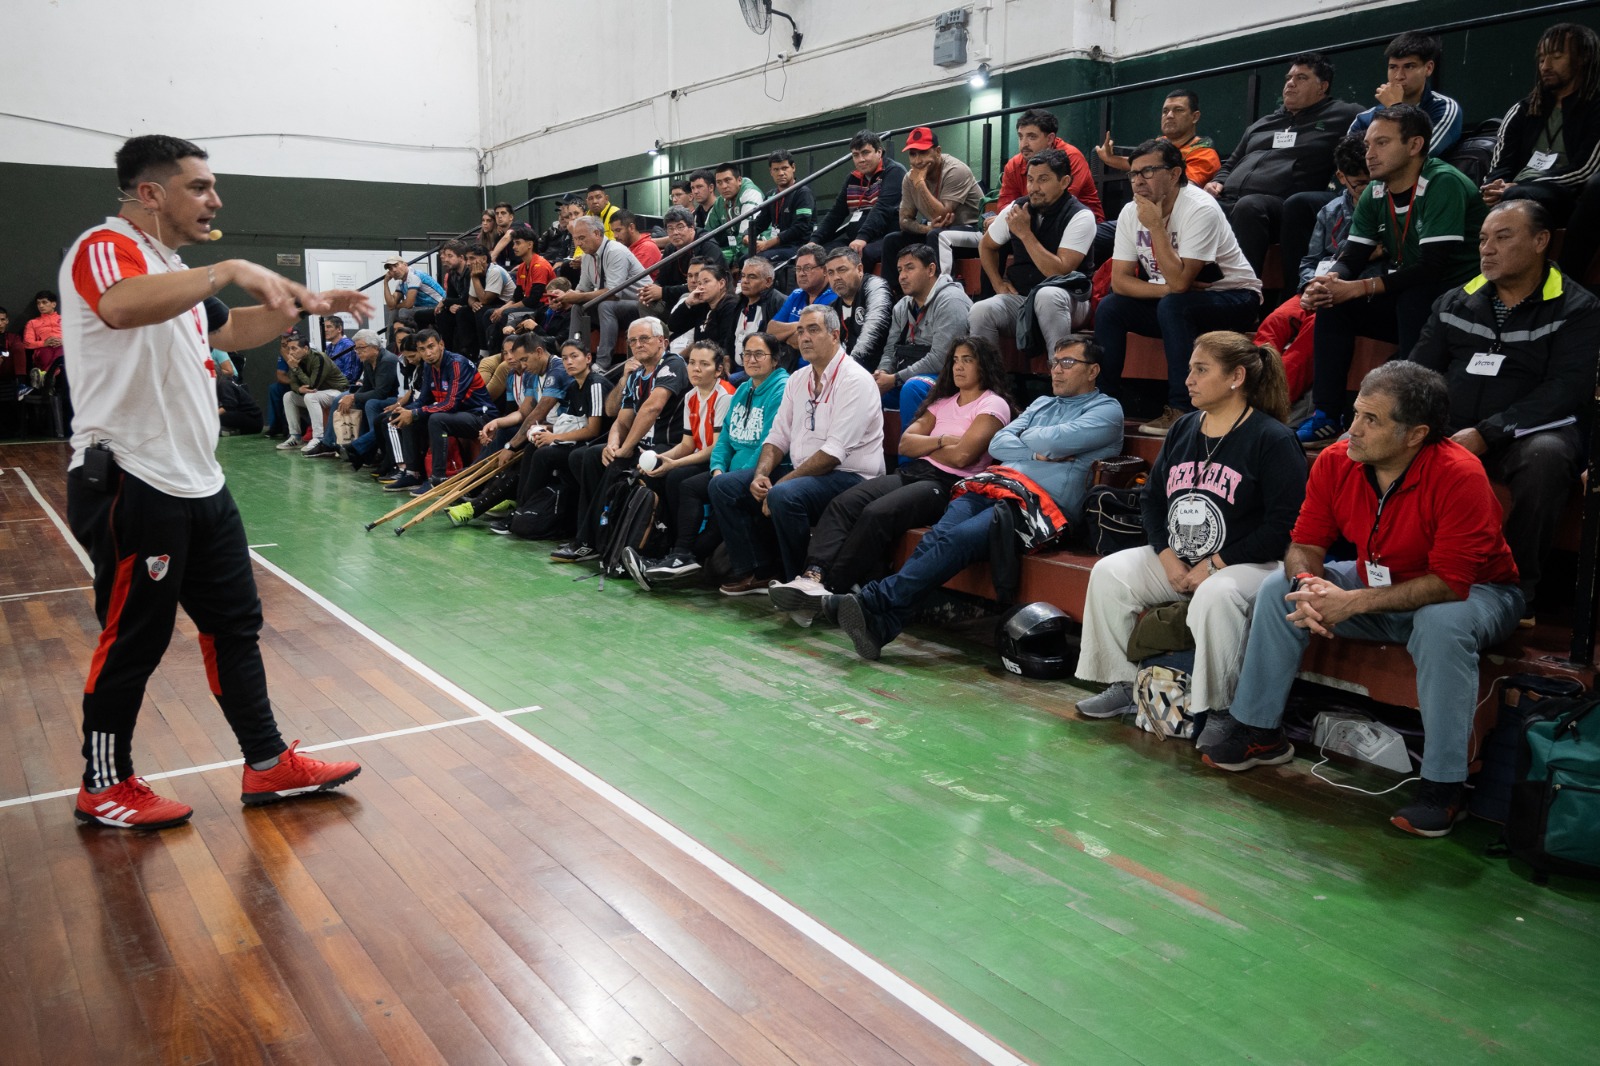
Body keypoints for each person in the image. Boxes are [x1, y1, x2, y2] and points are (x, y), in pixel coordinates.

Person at [61, 134, 364, 828]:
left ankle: (267, 763)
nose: (214, 199)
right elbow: (121, 306)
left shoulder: (177, 274)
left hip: (200, 483)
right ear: (150, 193)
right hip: (133, 479)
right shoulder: (107, 249)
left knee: (236, 626)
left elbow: (229, 333)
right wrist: (228, 266)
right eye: (199, 186)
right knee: (134, 636)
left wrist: (299, 309)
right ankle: (102, 783)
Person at [1196, 362, 1523, 838]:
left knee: (1440, 624)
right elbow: (1305, 543)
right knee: (1275, 589)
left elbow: (1450, 583)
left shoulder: (1460, 473)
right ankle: (1259, 733)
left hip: (1478, 593)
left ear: (1415, 434)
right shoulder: (1336, 459)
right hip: (1380, 581)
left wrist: (1350, 603)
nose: (1354, 428)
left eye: (1372, 420)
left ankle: (1443, 785)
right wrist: (1309, 585)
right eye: (1356, 413)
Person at [833, 338, 1124, 660]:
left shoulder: (1107, 411)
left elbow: (1046, 441)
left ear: (1093, 370)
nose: (1056, 370)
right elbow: (999, 444)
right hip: (993, 484)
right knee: (937, 538)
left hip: (1040, 506)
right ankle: (881, 626)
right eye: (1054, 362)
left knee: (956, 539)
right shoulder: (1043, 403)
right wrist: (1041, 451)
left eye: (1067, 363)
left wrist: (1030, 441)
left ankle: (872, 601)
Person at [1073, 333, 1306, 722]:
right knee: (1109, 573)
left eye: (1201, 370)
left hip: (1251, 565)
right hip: (1181, 560)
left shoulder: (1273, 439)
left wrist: (1217, 562)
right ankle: (1121, 683)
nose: (1188, 380)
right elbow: (1151, 500)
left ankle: (1220, 709)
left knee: (1218, 594)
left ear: (1236, 377)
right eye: (1189, 369)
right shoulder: (1184, 429)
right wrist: (1165, 557)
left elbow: (1284, 526)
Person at [1409, 199, 1600, 621]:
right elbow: (1417, 371)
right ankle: (1395, 571)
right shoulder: (1455, 301)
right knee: (1380, 435)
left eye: (1502, 236)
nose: (1487, 249)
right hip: (1452, 426)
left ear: (1540, 241)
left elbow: (1565, 389)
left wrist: (1489, 432)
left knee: (1546, 457)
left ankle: (1513, 590)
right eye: (1482, 239)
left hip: (1530, 431)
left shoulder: (1578, 307)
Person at [770, 335, 1013, 623]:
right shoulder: (944, 401)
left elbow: (964, 458)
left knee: (877, 513)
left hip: (948, 485)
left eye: (968, 360)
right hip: (916, 472)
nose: (959, 367)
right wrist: (945, 440)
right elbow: (906, 444)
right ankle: (813, 575)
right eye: (956, 360)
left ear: (984, 365)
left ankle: (831, 588)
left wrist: (932, 443)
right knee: (844, 503)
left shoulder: (993, 405)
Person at [1295, 105, 1487, 446]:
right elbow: (1352, 256)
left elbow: (1432, 268)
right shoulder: (1375, 190)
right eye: (1369, 144)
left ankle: (1410, 416)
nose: (1369, 154)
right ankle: (1326, 414)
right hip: (1415, 289)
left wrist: (1360, 287)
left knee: (1414, 297)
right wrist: (1329, 282)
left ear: (1414, 146)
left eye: (1381, 143)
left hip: (1465, 297)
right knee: (1333, 304)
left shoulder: (1443, 182)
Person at [708, 305, 885, 592]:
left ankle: (799, 583)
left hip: (851, 476)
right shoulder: (799, 379)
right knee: (724, 487)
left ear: (835, 335)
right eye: (800, 330)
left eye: (813, 330)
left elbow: (833, 453)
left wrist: (782, 481)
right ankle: (758, 571)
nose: (804, 337)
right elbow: (777, 437)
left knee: (784, 494)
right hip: (809, 474)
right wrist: (759, 475)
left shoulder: (855, 380)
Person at [1095, 139, 1262, 436]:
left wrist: (1156, 227)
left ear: (1174, 174)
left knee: (1174, 305)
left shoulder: (1199, 208)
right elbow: (1120, 282)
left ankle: (1182, 408)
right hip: (1176, 300)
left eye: (1147, 172)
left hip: (1233, 297)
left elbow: (1181, 282)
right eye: (1133, 174)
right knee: (1111, 307)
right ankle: (1101, 405)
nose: (1137, 181)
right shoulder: (1130, 213)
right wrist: (1168, 290)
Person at [624, 332, 790, 583]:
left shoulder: (780, 389)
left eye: (759, 354)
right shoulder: (744, 389)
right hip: (729, 471)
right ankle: (677, 556)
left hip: (761, 469)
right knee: (689, 485)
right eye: (747, 354)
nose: (752, 360)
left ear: (775, 359)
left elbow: (770, 443)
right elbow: (723, 442)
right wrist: (717, 470)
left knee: (707, 486)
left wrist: (728, 478)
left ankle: (683, 562)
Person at [1204, 54, 1363, 284]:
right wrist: (1217, 180)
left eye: (1301, 78)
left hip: (1280, 205)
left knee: (1250, 206)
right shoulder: (1263, 123)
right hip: (1229, 199)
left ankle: (1242, 293)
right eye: (1289, 77)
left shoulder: (1343, 114)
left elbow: (1376, 130)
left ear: (1322, 86)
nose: (1290, 83)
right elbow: (1231, 163)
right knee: (1191, 203)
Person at [553, 317, 689, 562]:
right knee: (592, 456)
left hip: (668, 446)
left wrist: (625, 449)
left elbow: (652, 408)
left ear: (663, 341)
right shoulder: (636, 374)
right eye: (633, 341)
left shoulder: (673, 364)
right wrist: (614, 443)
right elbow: (620, 417)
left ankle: (589, 541)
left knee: (616, 464)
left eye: (644, 339)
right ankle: (597, 533)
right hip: (640, 444)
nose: (638, 345)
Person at [1253, 134, 1374, 403]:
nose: (1368, 189)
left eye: (1373, 181)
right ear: (1342, 178)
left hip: (1347, 292)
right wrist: (1309, 286)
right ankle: (1248, 390)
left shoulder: (1383, 209)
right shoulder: (1330, 211)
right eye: (1360, 184)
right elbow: (1310, 261)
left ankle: (1271, 403)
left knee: (1312, 331)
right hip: (1316, 289)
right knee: (1274, 322)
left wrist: (1327, 289)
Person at [1485, 22, 1600, 277]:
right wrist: (1494, 185)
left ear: (1582, 58)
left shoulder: (1594, 107)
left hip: (1567, 194)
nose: (1545, 66)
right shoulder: (1524, 109)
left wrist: (1518, 188)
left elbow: (1585, 170)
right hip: (1513, 190)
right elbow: (1500, 162)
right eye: (1541, 58)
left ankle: (1562, 279)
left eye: (1557, 57)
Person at [969, 149, 1097, 361]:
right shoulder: (1017, 207)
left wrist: (1025, 233)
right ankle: (993, 386)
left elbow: (1058, 272)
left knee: (1048, 295)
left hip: (1070, 299)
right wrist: (998, 284)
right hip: (1022, 297)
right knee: (980, 310)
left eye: (1043, 180)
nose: (1034, 188)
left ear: (1064, 182)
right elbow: (986, 245)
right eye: (1030, 180)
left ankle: (1060, 379)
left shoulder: (1081, 216)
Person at [488, 340, 613, 535]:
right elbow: (571, 423)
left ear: (588, 358)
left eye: (574, 356)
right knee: (532, 448)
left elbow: (593, 430)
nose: (569, 362)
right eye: (564, 358)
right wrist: (546, 429)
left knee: (544, 455)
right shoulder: (574, 387)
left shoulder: (595, 384)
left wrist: (554, 437)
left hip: (592, 445)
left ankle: (524, 509)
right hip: (576, 440)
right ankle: (521, 509)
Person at [639, 339, 736, 547]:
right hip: (700, 455)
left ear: (718, 370)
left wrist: (674, 464)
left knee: (677, 478)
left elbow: (717, 448)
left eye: (704, 364)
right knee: (655, 474)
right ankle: (662, 539)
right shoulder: (691, 395)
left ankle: (681, 545)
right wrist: (660, 458)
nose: (696, 369)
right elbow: (687, 444)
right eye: (692, 363)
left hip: (721, 460)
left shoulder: (725, 396)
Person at [385, 328, 496, 494]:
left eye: (431, 347)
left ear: (441, 345)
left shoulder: (458, 364)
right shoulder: (429, 367)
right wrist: (406, 410)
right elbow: (423, 400)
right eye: (422, 349)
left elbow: (451, 404)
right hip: (456, 416)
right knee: (405, 416)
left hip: (480, 416)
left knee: (436, 419)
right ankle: (413, 473)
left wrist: (415, 413)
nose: (428, 353)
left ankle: (438, 479)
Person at [875, 244, 976, 424]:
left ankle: (911, 452)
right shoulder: (902, 306)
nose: (902, 276)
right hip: (908, 375)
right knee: (865, 390)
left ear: (931, 270)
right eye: (899, 270)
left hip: (948, 377)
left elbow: (941, 359)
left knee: (912, 388)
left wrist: (895, 378)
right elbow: (890, 350)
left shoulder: (951, 301)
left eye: (910, 268)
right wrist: (882, 374)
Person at [880, 127, 985, 296]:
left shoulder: (955, 170)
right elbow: (904, 221)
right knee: (892, 240)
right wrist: (926, 228)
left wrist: (920, 184)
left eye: (923, 152)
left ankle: (942, 295)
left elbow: (941, 215)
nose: (918, 160)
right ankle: (893, 299)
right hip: (938, 232)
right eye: (912, 154)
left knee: (937, 236)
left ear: (937, 151)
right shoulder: (909, 178)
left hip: (973, 232)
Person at [551, 214, 646, 369]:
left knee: (605, 305)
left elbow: (614, 293)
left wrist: (578, 296)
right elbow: (582, 289)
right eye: (575, 239)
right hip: (617, 305)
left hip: (641, 305)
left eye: (582, 238)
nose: (578, 243)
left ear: (596, 233)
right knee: (577, 307)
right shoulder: (588, 257)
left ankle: (602, 364)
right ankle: (574, 356)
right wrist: (566, 297)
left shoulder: (615, 251)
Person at [812, 130, 907, 274]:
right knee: (820, 253)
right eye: (856, 155)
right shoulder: (852, 179)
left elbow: (882, 209)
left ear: (879, 152)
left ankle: (859, 293)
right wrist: (814, 240)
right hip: (856, 239)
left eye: (865, 153)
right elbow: (836, 213)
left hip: (886, 238)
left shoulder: (895, 172)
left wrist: (862, 238)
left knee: (863, 253)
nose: (860, 159)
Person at [1095, 89, 1223, 187]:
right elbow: (1138, 163)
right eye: (1165, 111)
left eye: (1178, 110)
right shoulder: (1160, 142)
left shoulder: (1204, 153)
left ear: (1195, 117)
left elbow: (1182, 188)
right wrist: (1109, 159)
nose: (1170, 115)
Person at [998, 109, 1104, 223]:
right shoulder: (1013, 165)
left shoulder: (1071, 157)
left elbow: (1058, 203)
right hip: (1034, 223)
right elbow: (1004, 206)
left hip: (1081, 224)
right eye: (1020, 137)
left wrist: (1017, 214)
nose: (1024, 144)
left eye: (1032, 137)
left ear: (1050, 139)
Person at [335, 332, 401, 470]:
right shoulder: (368, 361)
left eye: (361, 347)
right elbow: (366, 387)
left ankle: (362, 447)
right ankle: (366, 452)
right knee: (351, 401)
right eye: (356, 348)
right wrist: (351, 399)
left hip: (396, 399)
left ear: (375, 347)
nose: (358, 351)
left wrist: (353, 396)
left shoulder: (387, 360)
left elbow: (381, 392)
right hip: (383, 398)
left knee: (371, 403)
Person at [823, 247, 893, 370]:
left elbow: (874, 329)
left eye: (842, 270)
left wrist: (847, 369)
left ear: (860, 269)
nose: (836, 277)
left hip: (880, 370)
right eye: (831, 273)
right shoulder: (833, 308)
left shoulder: (875, 286)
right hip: (849, 372)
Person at [277, 335, 348, 453]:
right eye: (289, 349)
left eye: (294, 348)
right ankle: (295, 437)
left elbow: (312, 385)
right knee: (288, 396)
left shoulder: (319, 358)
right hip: (319, 393)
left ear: (305, 348)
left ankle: (318, 438)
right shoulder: (295, 361)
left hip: (337, 392)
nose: (290, 352)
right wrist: (299, 390)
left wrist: (296, 369)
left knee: (310, 396)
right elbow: (293, 383)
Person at [747, 150, 815, 263]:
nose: (781, 173)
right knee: (744, 259)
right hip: (779, 247)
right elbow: (760, 222)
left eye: (784, 168)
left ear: (793, 167)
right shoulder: (771, 195)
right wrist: (748, 235)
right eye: (776, 169)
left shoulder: (803, 193)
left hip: (799, 247)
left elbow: (800, 227)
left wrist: (769, 243)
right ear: (771, 172)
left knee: (759, 261)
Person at [667, 259, 741, 358]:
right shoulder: (702, 305)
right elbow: (673, 326)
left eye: (706, 282)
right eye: (699, 283)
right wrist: (688, 303)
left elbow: (726, 345)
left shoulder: (731, 306)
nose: (701, 287)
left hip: (716, 361)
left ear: (721, 283)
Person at [767, 243, 837, 346]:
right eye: (798, 269)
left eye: (807, 268)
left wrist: (786, 335)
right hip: (790, 360)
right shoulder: (796, 294)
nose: (801, 274)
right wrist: (801, 325)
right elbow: (771, 331)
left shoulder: (834, 297)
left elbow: (807, 341)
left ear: (825, 270)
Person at [495, 224, 556, 335]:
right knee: (490, 313)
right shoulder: (522, 266)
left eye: (518, 243)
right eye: (513, 243)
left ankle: (510, 348)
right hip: (530, 305)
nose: (514, 247)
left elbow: (534, 299)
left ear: (529, 244)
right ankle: (486, 351)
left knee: (507, 313)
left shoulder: (540, 265)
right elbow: (517, 296)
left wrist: (504, 310)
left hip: (542, 308)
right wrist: (501, 308)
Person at [706, 162, 764, 266]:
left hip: (757, 246)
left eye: (727, 180)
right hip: (735, 249)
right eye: (719, 182)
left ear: (739, 180)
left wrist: (734, 260)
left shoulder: (751, 193)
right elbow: (706, 233)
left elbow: (746, 235)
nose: (724, 186)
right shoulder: (719, 202)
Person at [731, 257, 785, 364]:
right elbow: (729, 339)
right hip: (737, 366)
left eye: (752, 277)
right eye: (743, 276)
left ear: (768, 281)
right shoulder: (738, 302)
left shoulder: (779, 303)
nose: (745, 281)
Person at [466, 244, 516, 355]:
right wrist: (473, 304)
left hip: (508, 305)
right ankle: (468, 352)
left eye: (472, 258)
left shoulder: (495, 271)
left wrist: (474, 277)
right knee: (463, 312)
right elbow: (470, 298)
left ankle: (485, 352)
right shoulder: (475, 272)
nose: (468, 263)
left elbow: (485, 300)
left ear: (484, 259)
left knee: (482, 310)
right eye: (467, 259)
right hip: (491, 304)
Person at [383, 256, 445, 328]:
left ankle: (407, 337)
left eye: (396, 265)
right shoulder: (401, 282)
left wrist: (396, 307)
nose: (394, 270)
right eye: (390, 268)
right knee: (394, 312)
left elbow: (409, 304)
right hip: (424, 308)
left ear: (405, 264)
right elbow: (391, 305)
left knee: (404, 311)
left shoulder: (414, 276)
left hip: (438, 306)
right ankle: (394, 339)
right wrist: (385, 282)